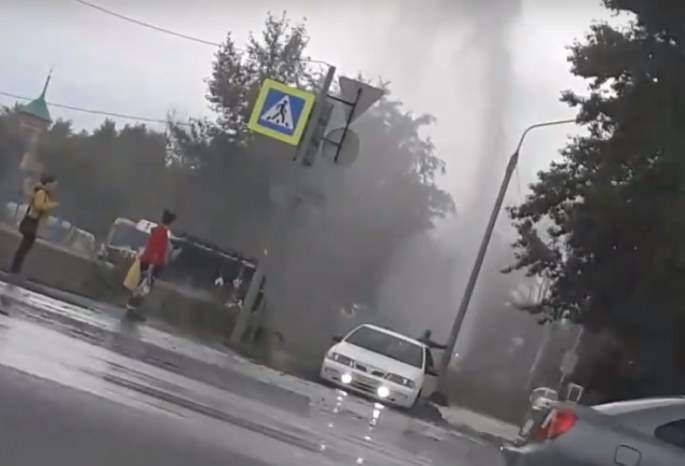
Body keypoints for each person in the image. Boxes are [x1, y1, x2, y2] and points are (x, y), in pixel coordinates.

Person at [125, 209, 177, 319]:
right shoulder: (162, 233)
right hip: (152, 263)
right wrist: (153, 264)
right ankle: (133, 310)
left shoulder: (157, 230)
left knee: (142, 286)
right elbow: (157, 250)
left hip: (149, 261)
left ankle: (133, 308)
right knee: (144, 287)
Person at [9, 174, 58, 275]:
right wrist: (51, 205)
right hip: (31, 221)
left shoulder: (44, 193)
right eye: (53, 184)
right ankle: (15, 268)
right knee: (25, 246)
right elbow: (38, 205)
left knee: (25, 246)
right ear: (48, 183)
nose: (54, 187)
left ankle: (16, 268)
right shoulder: (41, 192)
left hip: (34, 221)